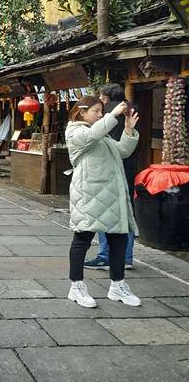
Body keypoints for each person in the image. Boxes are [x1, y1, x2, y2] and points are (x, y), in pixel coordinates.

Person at [65, 95, 141, 308]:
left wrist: (128, 130)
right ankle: (76, 287)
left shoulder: (102, 135)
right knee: (82, 238)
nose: (100, 115)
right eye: (96, 111)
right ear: (82, 112)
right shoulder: (75, 131)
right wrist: (113, 115)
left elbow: (123, 151)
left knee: (119, 239)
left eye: (101, 111)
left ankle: (118, 285)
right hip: (89, 195)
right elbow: (91, 135)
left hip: (111, 195)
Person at [85, 84, 136, 270]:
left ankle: (105, 255)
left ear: (105, 98)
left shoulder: (104, 114)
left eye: (100, 97)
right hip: (129, 166)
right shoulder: (132, 110)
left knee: (105, 210)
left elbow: (95, 136)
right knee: (125, 211)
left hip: (107, 166)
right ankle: (126, 257)